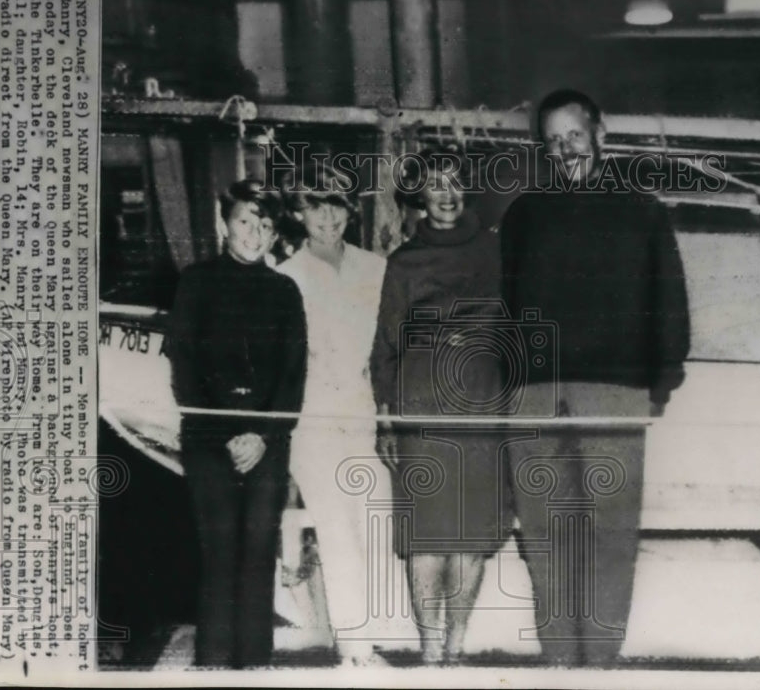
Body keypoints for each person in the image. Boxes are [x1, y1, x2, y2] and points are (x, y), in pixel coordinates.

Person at [500, 89, 691, 666]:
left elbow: (671, 304)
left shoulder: (643, 211)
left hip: (615, 393)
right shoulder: (524, 213)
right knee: (544, 539)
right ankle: (561, 665)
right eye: (552, 141)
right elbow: (502, 306)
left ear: (600, 134)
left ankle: (601, 667)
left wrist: (660, 383)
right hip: (534, 396)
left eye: (574, 135)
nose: (564, 149)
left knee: (609, 538)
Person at [370, 148, 511, 665]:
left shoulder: (497, 253)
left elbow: (517, 331)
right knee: (427, 536)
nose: (447, 194)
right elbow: (385, 346)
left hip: (481, 406)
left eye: (454, 183)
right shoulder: (403, 262)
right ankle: (430, 652)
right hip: (421, 411)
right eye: (434, 184)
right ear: (419, 195)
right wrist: (386, 419)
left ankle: (456, 647)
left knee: (472, 536)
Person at [166, 180, 308, 668]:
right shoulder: (196, 282)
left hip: (268, 446)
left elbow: (293, 377)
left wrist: (263, 435)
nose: (255, 233)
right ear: (224, 223)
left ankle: (255, 668)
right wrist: (229, 436)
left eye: (266, 225)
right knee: (221, 557)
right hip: (210, 445)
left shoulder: (285, 291)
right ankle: (213, 668)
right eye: (246, 220)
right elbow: (185, 370)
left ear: (275, 236)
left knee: (258, 559)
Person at [276, 164, 394, 667]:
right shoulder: (285, 277)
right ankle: (356, 653)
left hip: (363, 415)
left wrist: (387, 416)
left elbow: (388, 348)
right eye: (315, 205)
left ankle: (367, 642)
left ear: (352, 209)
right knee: (338, 532)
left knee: (377, 523)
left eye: (337, 204)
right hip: (312, 420)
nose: (328, 216)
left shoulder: (377, 268)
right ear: (299, 213)